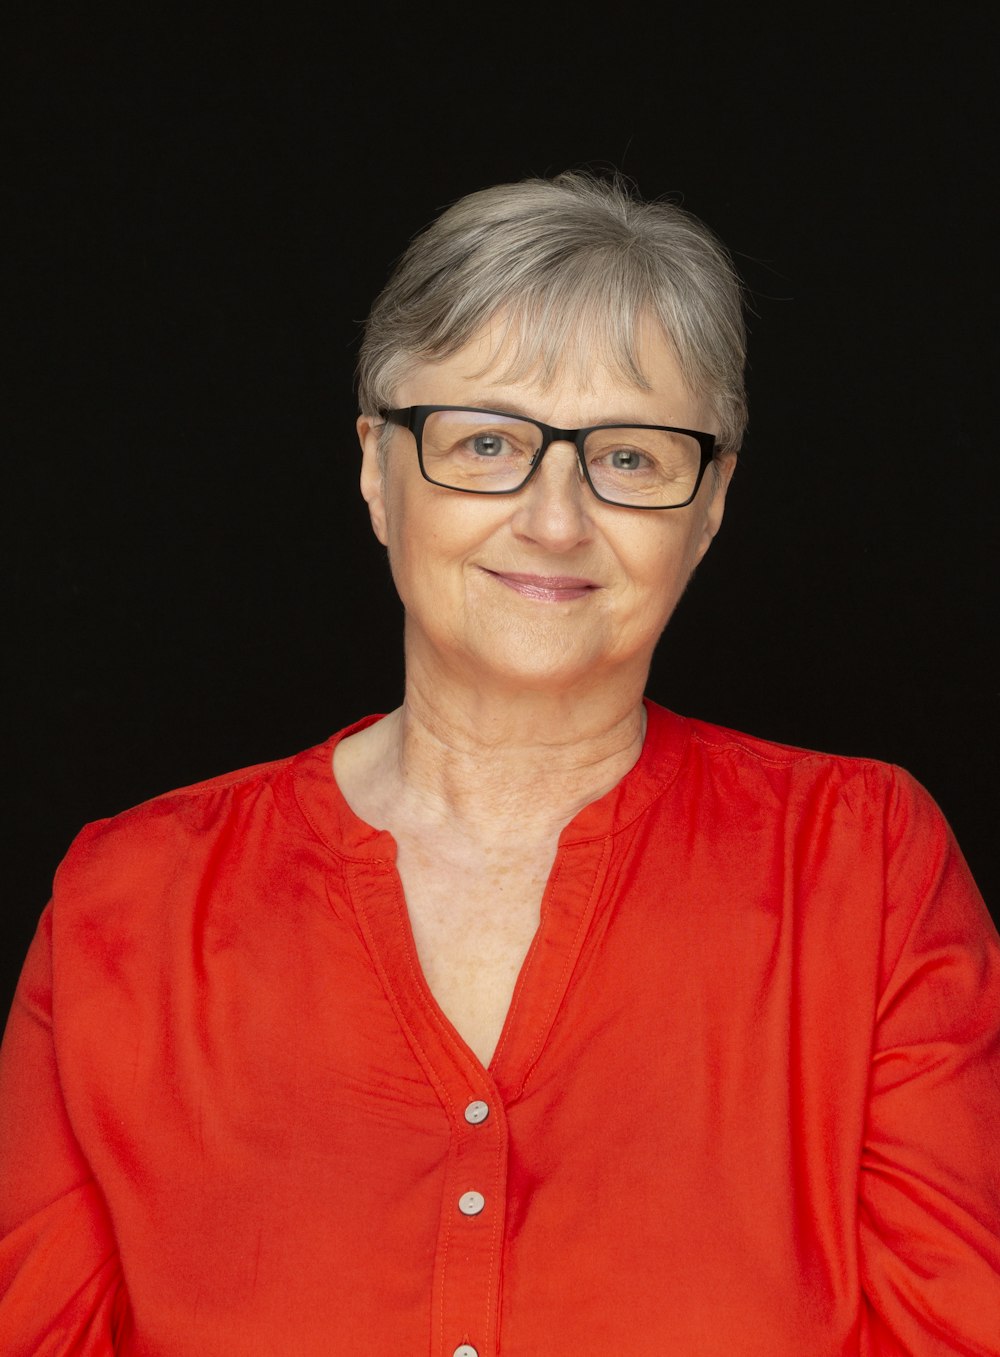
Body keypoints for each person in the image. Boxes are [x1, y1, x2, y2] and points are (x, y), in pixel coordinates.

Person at [1, 173, 998, 1357]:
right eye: (486, 442)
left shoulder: (865, 865)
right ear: (378, 469)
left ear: (712, 501)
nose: (556, 518)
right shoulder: (129, 902)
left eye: (629, 457)